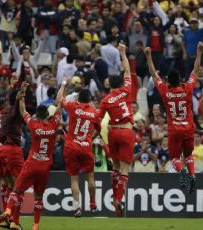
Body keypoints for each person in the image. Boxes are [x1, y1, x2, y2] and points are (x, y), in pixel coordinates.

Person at [0, 88, 61, 230]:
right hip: (45, 167)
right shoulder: (54, 125)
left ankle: (8, 212)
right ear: (48, 115)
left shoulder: (33, 124)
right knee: (38, 197)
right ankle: (35, 226)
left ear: (37, 115)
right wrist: (63, 86)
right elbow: (59, 106)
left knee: (17, 190)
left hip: (31, 164)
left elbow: (23, 110)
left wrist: (22, 95)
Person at [145, 42, 203, 193]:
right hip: (189, 128)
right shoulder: (187, 88)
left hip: (174, 129)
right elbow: (196, 71)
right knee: (189, 154)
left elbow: (153, 74)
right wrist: (199, 51)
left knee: (175, 158)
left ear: (168, 81)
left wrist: (149, 56)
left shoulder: (165, 91)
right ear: (180, 80)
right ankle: (192, 175)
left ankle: (181, 171)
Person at [99, 43, 135, 217]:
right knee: (125, 171)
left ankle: (115, 203)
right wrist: (122, 53)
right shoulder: (127, 89)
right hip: (127, 131)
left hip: (113, 132)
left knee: (116, 168)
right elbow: (127, 70)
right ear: (120, 82)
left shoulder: (105, 100)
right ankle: (119, 198)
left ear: (108, 85)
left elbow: (98, 119)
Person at [57, 83, 101, 217]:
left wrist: (64, 85)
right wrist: (91, 139)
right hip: (86, 148)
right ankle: (93, 204)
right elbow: (98, 130)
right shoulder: (94, 112)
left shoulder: (73, 107)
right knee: (90, 177)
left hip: (71, 147)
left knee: (74, 180)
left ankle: (77, 208)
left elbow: (59, 98)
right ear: (90, 100)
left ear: (78, 99)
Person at [0, 81, 28, 229]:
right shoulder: (14, 110)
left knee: (7, 185)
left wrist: (13, 87)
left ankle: (6, 219)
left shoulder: (5, 108)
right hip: (13, 151)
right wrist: (20, 96)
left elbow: (9, 96)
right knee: (18, 188)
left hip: (1, 150)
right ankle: (14, 220)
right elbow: (17, 108)